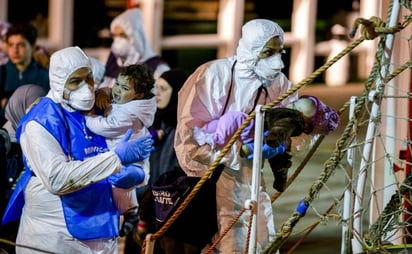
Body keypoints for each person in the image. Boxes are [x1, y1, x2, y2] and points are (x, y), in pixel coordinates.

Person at [2, 46, 154, 254]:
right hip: (54, 242)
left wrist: (138, 173)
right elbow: (57, 178)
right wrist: (115, 158)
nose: (87, 87)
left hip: (103, 234)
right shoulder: (41, 121)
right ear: (58, 83)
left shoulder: (100, 109)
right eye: (76, 81)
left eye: (89, 78)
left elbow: (129, 146)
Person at [174, 19, 309, 253]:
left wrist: (278, 146)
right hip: (214, 179)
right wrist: (235, 153)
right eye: (268, 52)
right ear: (252, 49)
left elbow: (300, 125)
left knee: (263, 237)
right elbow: (189, 138)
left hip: (253, 179)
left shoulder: (278, 83)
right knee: (227, 241)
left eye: (280, 52)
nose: (276, 60)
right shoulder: (213, 75)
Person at [123, 68, 190, 254]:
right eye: (155, 88)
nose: (157, 93)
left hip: (166, 216)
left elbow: (175, 174)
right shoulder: (151, 124)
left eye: (163, 88)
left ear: (178, 92)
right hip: (142, 214)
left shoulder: (183, 130)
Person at [86, 63, 156, 237]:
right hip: (127, 160)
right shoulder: (130, 104)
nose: (117, 89)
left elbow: (104, 127)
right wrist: (104, 92)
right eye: (117, 83)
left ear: (138, 95)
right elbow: (111, 91)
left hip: (131, 161)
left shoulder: (128, 114)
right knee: (121, 184)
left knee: (119, 181)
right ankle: (131, 214)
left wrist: (88, 117)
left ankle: (130, 214)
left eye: (124, 88)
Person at [0, 84, 47, 254]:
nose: (36, 114)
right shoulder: (3, 144)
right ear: (18, 105)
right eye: (32, 107)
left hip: (28, 229)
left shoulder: (41, 141)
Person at [104, 8, 170, 88]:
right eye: (114, 35)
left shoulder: (157, 67)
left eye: (122, 35)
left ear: (135, 36)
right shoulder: (114, 63)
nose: (117, 40)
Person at [0, 23, 50, 126]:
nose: (15, 50)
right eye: (11, 45)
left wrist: (7, 102)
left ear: (32, 46)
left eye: (21, 45)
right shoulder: (2, 72)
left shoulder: (45, 76)